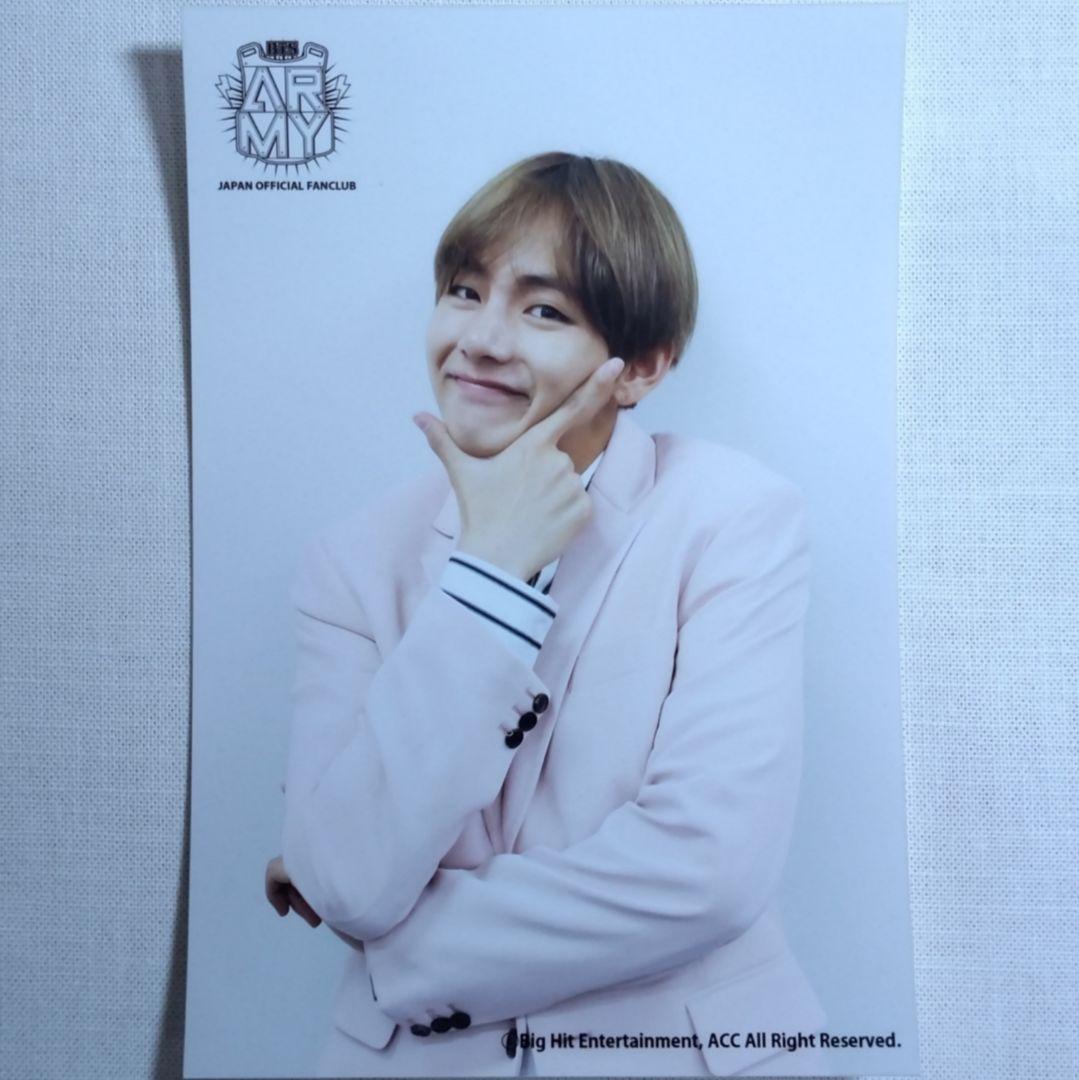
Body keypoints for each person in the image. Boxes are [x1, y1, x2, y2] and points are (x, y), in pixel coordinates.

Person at [265, 151, 829, 1077]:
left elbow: (708, 871)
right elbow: (351, 878)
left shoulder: (732, 518)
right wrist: (488, 576)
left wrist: (398, 946)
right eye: (463, 291)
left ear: (642, 366)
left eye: (544, 311)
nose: (481, 340)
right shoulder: (351, 562)